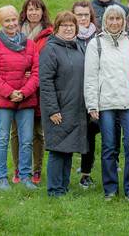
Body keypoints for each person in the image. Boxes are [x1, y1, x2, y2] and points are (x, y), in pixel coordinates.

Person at [84, 5, 129, 201]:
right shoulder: (96, 44)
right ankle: (110, 188)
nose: (115, 22)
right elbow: (90, 77)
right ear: (105, 21)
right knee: (109, 146)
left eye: (118, 19)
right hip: (106, 103)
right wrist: (92, 105)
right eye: (111, 19)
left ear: (124, 21)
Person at [0, 6, 40, 191]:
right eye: (7, 20)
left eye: (14, 19)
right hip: (3, 100)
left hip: (26, 99)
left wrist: (24, 92)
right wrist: (10, 92)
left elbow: (36, 72)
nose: (11, 24)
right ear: (0, 23)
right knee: (1, 139)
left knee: (26, 140)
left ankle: (25, 176)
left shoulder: (30, 45)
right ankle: (2, 178)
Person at [40, 11, 88, 197]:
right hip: (58, 108)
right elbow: (45, 82)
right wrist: (52, 109)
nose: (68, 29)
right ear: (56, 28)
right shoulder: (50, 49)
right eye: (64, 25)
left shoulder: (79, 47)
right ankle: (54, 189)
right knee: (57, 149)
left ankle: (63, 187)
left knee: (68, 149)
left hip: (75, 107)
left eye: (71, 25)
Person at [11, 0, 52, 184]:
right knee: (16, 132)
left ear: (43, 12)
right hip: (17, 87)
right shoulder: (15, 32)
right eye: (30, 9)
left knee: (38, 132)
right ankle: (18, 169)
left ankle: (36, 170)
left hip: (40, 88)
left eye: (37, 9)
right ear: (25, 12)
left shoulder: (49, 34)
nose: (33, 12)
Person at [72, 0, 99, 189]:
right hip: (72, 92)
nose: (82, 18)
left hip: (95, 92)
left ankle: (86, 173)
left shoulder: (99, 36)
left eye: (85, 14)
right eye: (78, 15)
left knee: (91, 131)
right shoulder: (68, 35)